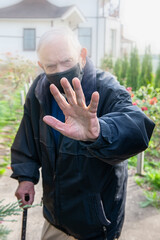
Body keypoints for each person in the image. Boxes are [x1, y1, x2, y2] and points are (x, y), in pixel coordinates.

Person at [11, 27, 155, 240]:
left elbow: (137, 126)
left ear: (82, 56)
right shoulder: (39, 90)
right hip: (55, 216)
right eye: (51, 65)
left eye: (67, 61)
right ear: (41, 66)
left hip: (97, 224)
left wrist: (100, 132)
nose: (60, 70)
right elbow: (27, 137)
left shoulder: (106, 88)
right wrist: (25, 177)